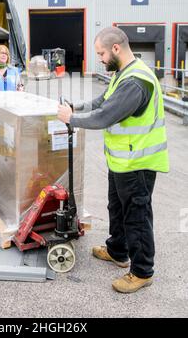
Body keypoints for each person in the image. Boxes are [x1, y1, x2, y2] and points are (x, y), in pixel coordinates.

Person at [58, 27, 169, 293]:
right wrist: (78, 106)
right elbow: (103, 100)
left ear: (116, 49)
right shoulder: (123, 73)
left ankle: (142, 272)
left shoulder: (136, 81)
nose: (100, 58)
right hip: (122, 160)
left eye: (101, 53)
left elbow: (106, 115)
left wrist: (71, 119)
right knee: (117, 208)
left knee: (137, 217)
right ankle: (118, 250)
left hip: (137, 163)